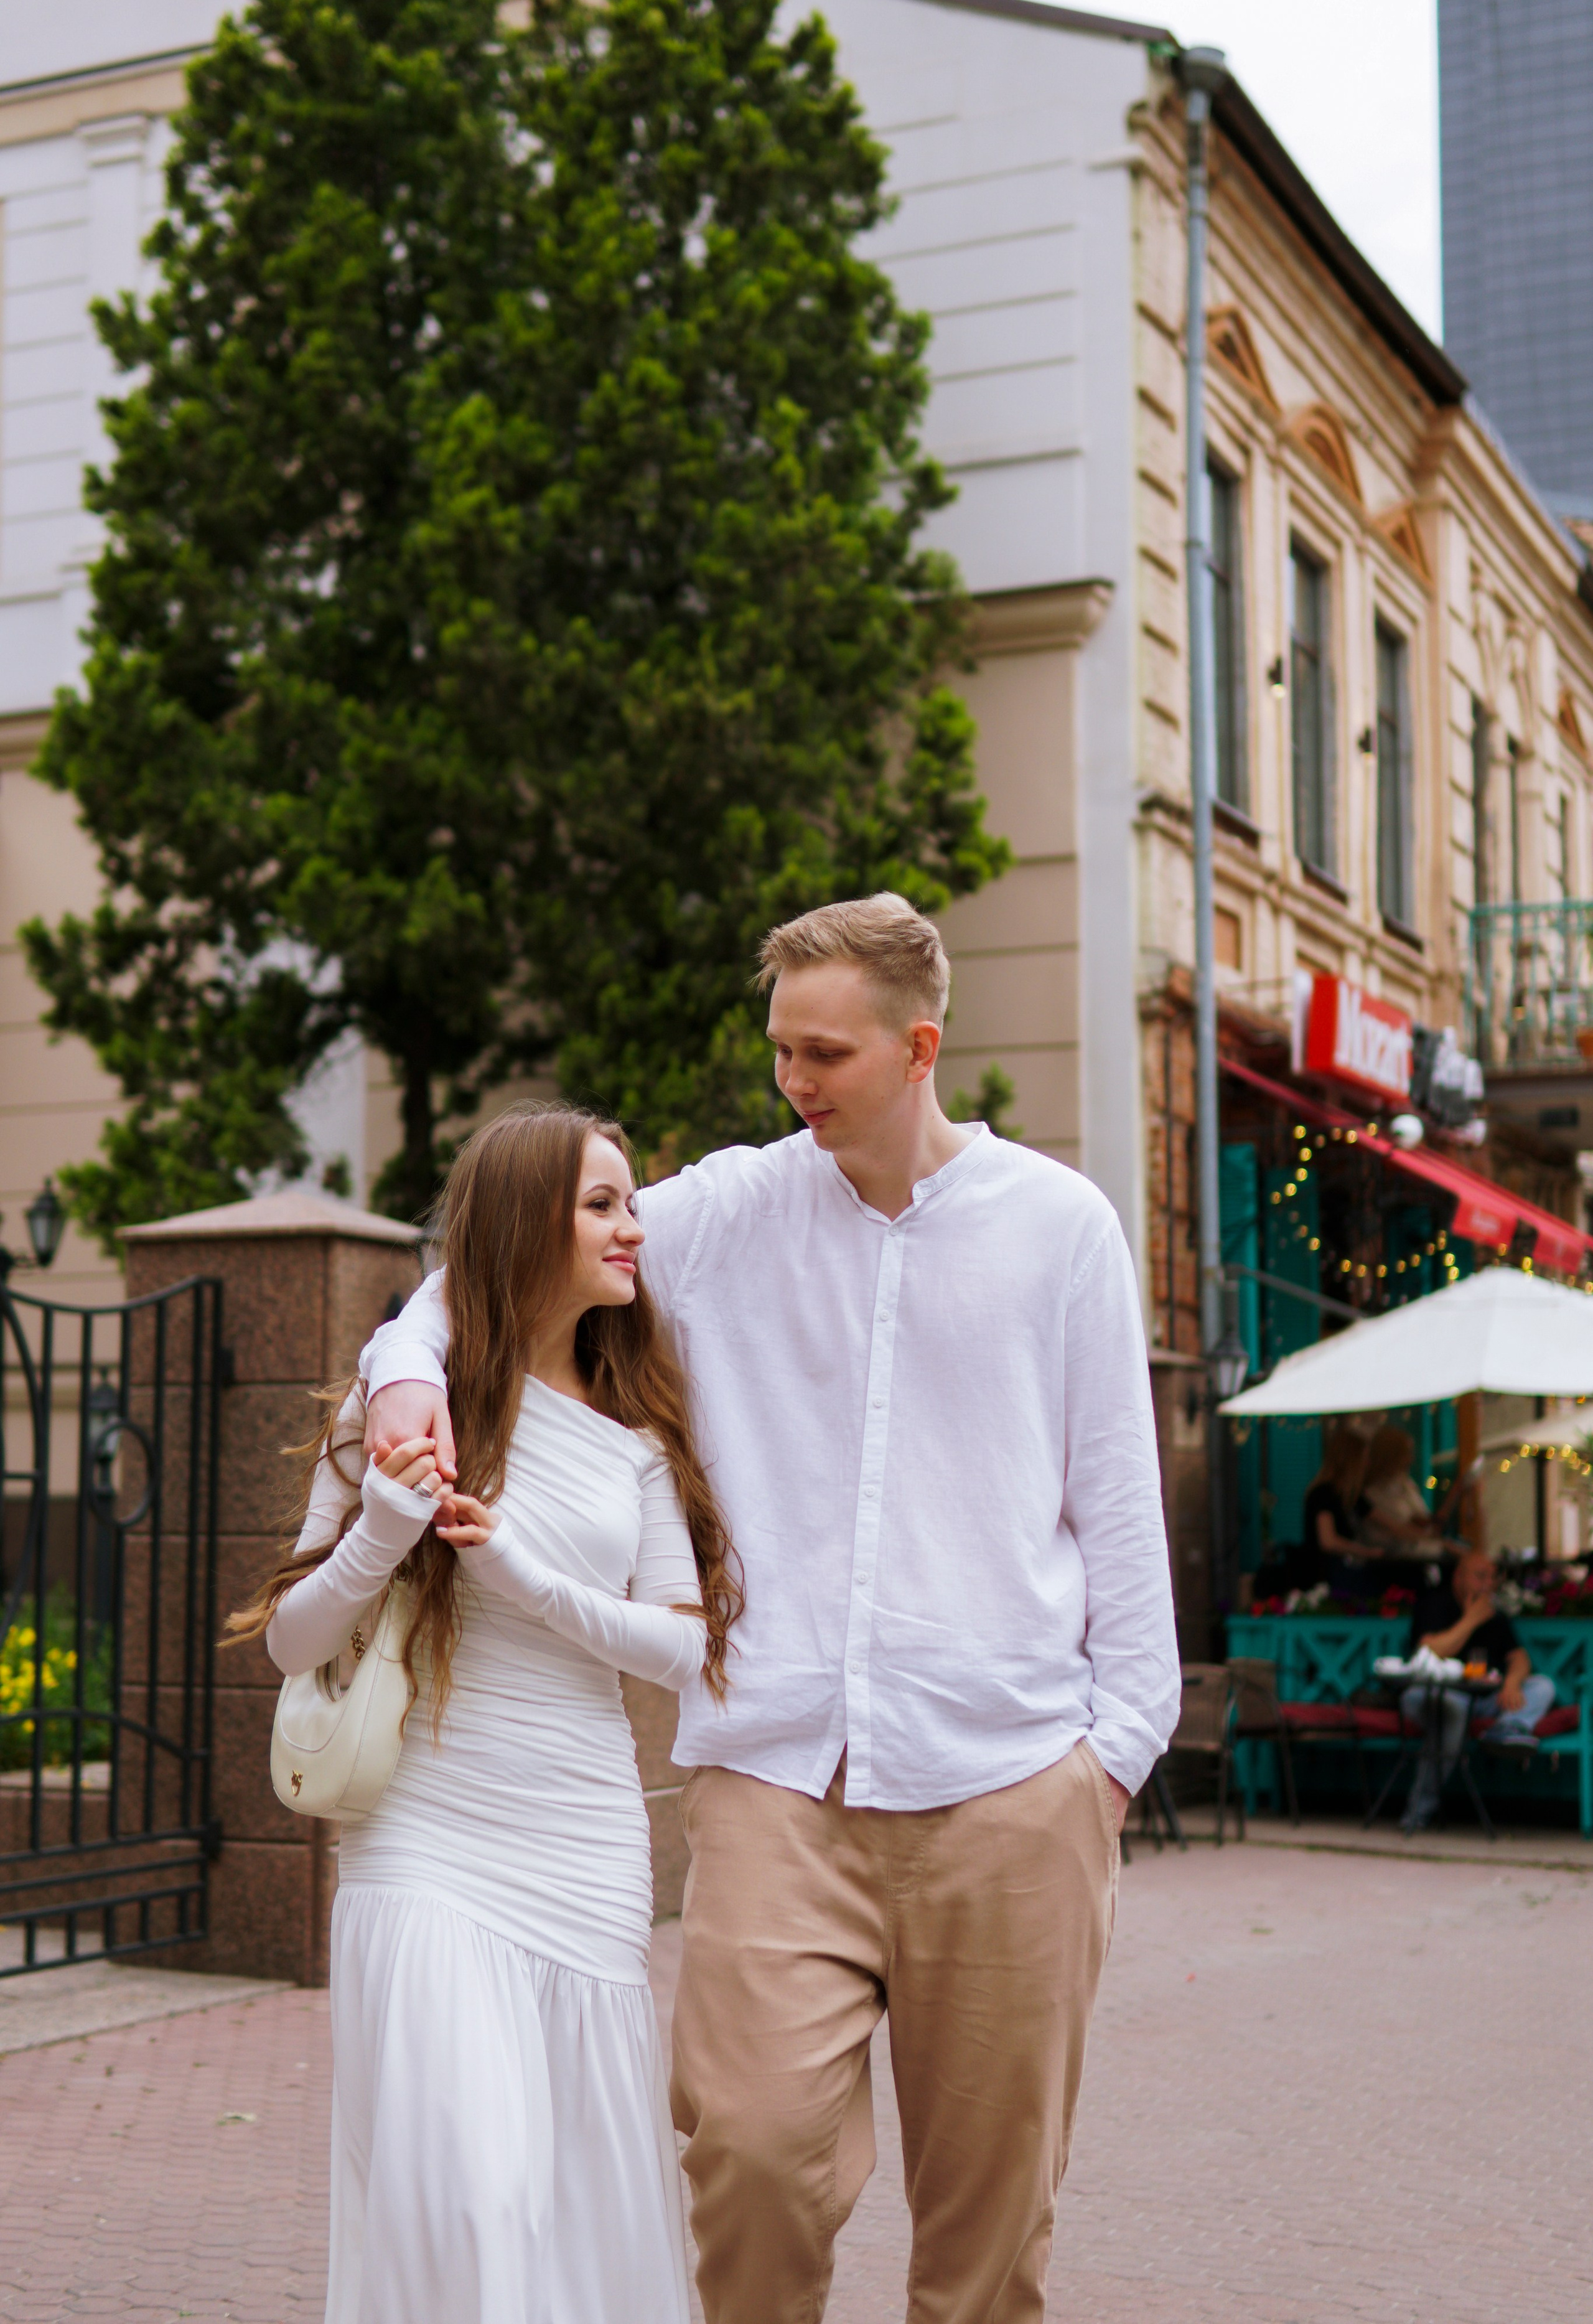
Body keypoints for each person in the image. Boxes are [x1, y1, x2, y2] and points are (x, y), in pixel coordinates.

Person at [363, 891, 1181, 2324]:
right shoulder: (732, 1209)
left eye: (823, 1054)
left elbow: (1117, 1511)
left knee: (987, 2235)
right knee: (746, 2151)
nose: (791, 1082)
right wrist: (406, 1374)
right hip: (770, 1776)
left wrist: (1107, 1759)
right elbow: (482, 1268)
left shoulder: (1058, 1230)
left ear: (917, 1046)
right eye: (779, 1051)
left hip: (1008, 1789)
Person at [227, 1105, 742, 2323]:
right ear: (522, 1224)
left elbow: (684, 1650)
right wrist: (382, 1536)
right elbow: (295, 1644)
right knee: (466, 2194)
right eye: (602, 1204)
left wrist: (527, 1581)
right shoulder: (399, 1407)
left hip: (580, 1844)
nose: (633, 1227)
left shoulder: (634, 1443)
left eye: (631, 1202)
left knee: (568, 2197)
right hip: (422, 1837)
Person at [1399, 1547, 1555, 1833]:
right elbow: (1431, 1651)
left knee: (1542, 1686)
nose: (1487, 1585)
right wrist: (1471, 1620)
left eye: (1492, 1578)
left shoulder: (1495, 1615)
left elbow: (1519, 1657)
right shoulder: (1436, 1604)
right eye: (1480, 1577)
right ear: (1458, 1577)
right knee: (1452, 1713)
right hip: (1431, 1694)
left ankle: (1507, 1730)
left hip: (1483, 1699)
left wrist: (1512, 1682)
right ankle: (1417, 1813)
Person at [1358, 1424, 1466, 1558]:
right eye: (1407, 1453)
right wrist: (1441, 1543)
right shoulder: (1372, 1494)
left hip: (1424, 1550)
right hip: (1400, 1559)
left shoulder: (1406, 1484)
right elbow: (1402, 1531)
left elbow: (1424, 1522)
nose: (1411, 1459)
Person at [1297, 1424, 1386, 1587]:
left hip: (1341, 1573)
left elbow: (1386, 1523)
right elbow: (1328, 1541)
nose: (1368, 1464)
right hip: (1326, 1579)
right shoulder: (1324, 1494)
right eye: (1365, 1458)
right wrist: (1366, 1552)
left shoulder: (1350, 1495)